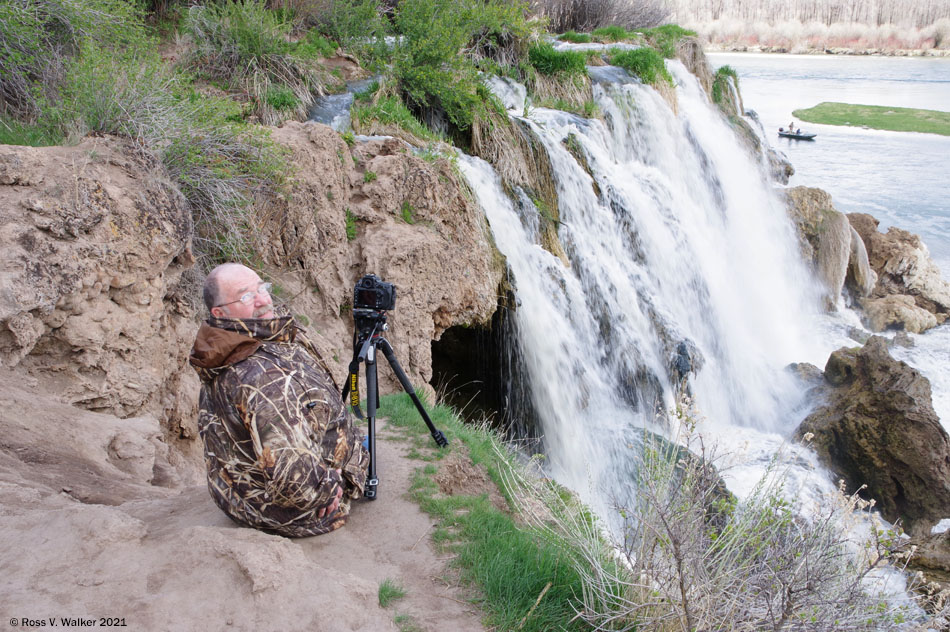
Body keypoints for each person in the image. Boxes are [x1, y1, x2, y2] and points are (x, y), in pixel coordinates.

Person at [189, 263, 368, 537]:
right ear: (219, 312)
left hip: (239, 494)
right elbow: (293, 477)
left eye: (262, 288)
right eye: (247, 297)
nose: (263, 299)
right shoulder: (257, 376)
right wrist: (327, 490)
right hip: (295, 511)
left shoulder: (234, 343)